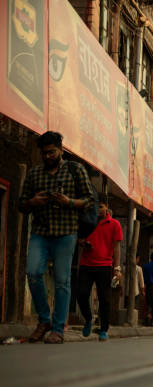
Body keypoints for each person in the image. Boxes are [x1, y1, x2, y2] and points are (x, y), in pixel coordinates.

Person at [19, 131, 95, 344]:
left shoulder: (75, 170)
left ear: (61, 150)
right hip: (40, 233)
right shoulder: (34, 174)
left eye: (52, 152)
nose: (48, 157)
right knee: (33, 273)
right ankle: (44, 320)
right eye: (44, 153)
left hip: (66, 233)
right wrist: (33, 202)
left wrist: (68, 202)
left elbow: (89, 200)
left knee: (62, 281)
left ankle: (58, 328)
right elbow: (21, 204)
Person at [77, 200, 123, 341]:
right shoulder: (87, 221)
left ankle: (104, 330)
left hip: (104, 265)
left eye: (101, 207)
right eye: (95, 206)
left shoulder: (114, 224)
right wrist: (84, 243)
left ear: (107, 207)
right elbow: (79, 239)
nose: (98, 209)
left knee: (104, 299)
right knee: (81, 294)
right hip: (86, 264)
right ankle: (88, 319)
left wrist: (117, 268)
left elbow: (116, 247)